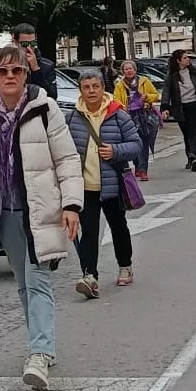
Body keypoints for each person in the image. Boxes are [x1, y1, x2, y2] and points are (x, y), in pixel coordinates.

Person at [0, 44, 83, 391]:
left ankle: (40, 353)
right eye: (3, 72)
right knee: (21, 283)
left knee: (37, 281)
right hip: (3, 212)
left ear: (25, 74)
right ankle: (41, 343)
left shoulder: (44, 108)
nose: (10, 77)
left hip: (40, 210)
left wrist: (71, 204)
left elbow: (67, 159)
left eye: (16, 70)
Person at [64, 69, 142, 295]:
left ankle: (125, 266)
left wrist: (115, 150)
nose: (91, 91)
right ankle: (90, 276)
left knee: (118, 227)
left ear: (102, 88)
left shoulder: (118, 115)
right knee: (88, 231)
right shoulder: (72, 117)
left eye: (95, 87)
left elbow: (136, 144)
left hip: (112, 184)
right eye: (86, 87)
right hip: (85, 186)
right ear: (81, 90)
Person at [165, 50, 196, 170]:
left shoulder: (195, 71)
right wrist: (165, 107)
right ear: (178, 60)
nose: (188, 60)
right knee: (186, 133)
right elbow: (166, 92)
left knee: (194, 132)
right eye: (185, 58)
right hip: (181, 108)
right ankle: (190, 157)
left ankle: (194, 156)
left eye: (188, 58)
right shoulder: (172, 75)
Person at [114, 58, 160, 181]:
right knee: (134, 142)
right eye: (126, 69)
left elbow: (156, 95)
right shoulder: (119, 85)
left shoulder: (144, 81)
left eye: (131, 68)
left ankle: (143, 169)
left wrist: (147, 97)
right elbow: (116, 100)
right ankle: (137, 166)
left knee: (144, 142)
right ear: (123, 71)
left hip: (144, 115)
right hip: (128, 116)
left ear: (135, 70)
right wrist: (123, 108)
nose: (129, 71)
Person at [12, 23, 60, 95]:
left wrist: (36, 69)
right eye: (24, 44)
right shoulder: (8, 63)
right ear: (16, 42)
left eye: (33, 43)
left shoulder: (47, 65)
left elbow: (52, 95)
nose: (29, 47)